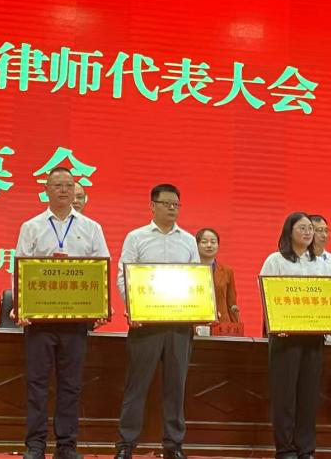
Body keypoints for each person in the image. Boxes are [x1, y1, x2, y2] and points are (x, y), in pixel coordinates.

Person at [15, 167, 110, 459]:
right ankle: (35, 445)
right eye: (57, 185)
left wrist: (102, 306)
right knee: (37, 384)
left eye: (69, 185)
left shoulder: (91, 228)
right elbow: (19, 268)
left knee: (71, 385)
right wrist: (21, 306)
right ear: (46, 190)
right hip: (40, 321)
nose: (64, 190)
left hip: (76, 320)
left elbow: (102, 268)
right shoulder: (31, 226)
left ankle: (67, 446)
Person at [114, 183, 200, 459]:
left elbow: (197, 280)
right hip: (146, 325)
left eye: (176, 204)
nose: (172, 208)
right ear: (152, 206)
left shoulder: (188, 241)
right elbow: (123, 277)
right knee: (136, 386)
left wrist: (198, 312)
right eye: (166, 203)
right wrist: (134, 309)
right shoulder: (136, 237)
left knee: (176, 387)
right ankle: (126, 445)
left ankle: (173, 445)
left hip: (179, 325)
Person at [260, 212, 325, 459]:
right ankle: (285, 448)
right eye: (302, 228)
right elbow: (266, 294)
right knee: (284, 395)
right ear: (289, 231)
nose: (308, 232)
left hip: (313, 336)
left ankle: (305, 449)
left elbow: (328, 297)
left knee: (309, 395)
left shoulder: (320, 263)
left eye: (310, 228)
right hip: (285, 336)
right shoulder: (275, 260)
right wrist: (276, 322)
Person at [196, 227, 239, 324]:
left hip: (222, 323)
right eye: (204, 242)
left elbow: (231, 304)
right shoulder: (190, 271)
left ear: (218, 245)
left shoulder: (227, 271)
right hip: (197, 323)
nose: (209, 245)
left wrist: (235, 325)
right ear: (196, 245)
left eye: (213, 242)